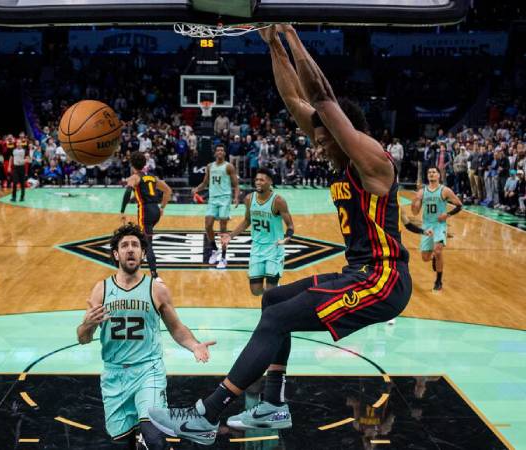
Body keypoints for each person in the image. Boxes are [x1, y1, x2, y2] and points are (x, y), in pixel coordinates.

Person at [148, 25, 412, 445]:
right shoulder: (344, 160)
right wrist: (271, 43)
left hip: (384, 280)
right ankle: (272, 402)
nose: (317, 147)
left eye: (325, 139)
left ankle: (206, 413)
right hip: (359, 272)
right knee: (273, 299)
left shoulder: (374, 162)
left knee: (275, 317)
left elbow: (322, 97)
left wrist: (289, 31)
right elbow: (296, 101)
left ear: (347, 135)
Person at [77, 223, 215, 450]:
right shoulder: (101, 290)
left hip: (148, 370)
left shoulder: (156, 290)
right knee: (122, 444)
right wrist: (87, 325)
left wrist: (194, 345)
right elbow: (82, 338)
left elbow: (176, 327)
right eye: (124, 246)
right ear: (116, 253)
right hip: (114, 374)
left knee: (153, 436)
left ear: (143, 253)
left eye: (135, 245)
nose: (130, 249)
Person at [222, 168, 294, 296]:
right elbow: (247, 221)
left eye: (262, 179)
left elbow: (290, 225)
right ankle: (276, 290)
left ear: (270, 182)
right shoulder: (249, 199)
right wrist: (230, 236)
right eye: (257, 179)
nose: (258, 182)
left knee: (270, 294)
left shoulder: (278, 201)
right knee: (255, 291)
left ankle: (273, 299)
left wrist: (287, 237)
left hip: (274, 248)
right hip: (257, 248)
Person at [120, 151, 172, 281]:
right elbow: (168, 191)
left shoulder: (134, 177)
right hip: (155, 210)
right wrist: (162, 208)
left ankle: (155, 275)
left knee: (148, 244)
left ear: (132, 165)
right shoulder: (152, 177)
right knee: (143, 237)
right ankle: (137, 264)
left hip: (145, 212)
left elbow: (127, 192)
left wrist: (122, 211)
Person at [412, 167, 463, 291]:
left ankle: (438, 281)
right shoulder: (422, 192)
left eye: (434, 172)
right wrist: (416, 200)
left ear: (439, 175)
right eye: (429, 172)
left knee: (438, 250)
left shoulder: (445, 190)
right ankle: (433, 257)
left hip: (439, 225)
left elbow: (459, 205)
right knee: (425, 258)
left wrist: (447, 215)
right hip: (427, 225)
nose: (431, 174)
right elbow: (414, 212)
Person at [192, 144, 240, 269]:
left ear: (224, 153)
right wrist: (197, 189)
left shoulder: (229, 166)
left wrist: (236, 198)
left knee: (223, 229)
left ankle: (223, 258)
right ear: (215, 153)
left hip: (225, 199)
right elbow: (205, 182)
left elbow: (236, 184)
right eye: (218, 150)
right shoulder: (209, 166)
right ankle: (214, 250)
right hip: (213, 199)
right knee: (208, 225)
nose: (220, 152)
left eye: (222, 150)